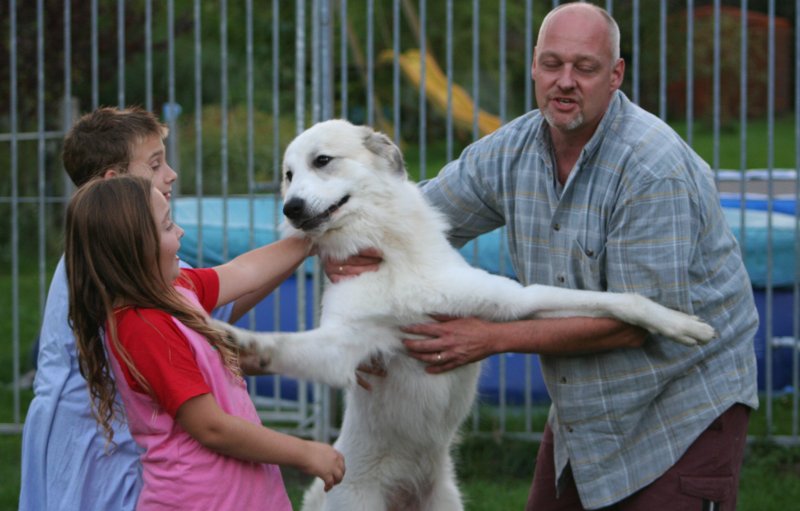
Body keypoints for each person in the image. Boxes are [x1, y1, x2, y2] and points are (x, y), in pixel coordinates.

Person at [330, 3, 758, 510]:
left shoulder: (653, 169)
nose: (565, 81)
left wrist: (489, 339)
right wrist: (352, 284)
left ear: (616, 74)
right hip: (585, 407)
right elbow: (412, 220)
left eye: (586, 67)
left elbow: (638, 322)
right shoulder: (511, 150)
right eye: (552, 64)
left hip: (680, 408)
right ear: (534, 66)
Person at [19, 106, 278, 510]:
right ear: (116, 181)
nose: (171, 174)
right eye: (156, 164)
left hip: (86, 442)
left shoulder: (95, 258)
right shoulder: (133, 281)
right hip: (101, 456)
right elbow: (213, 320)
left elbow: (223, 293)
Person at [65, 175, 344, 509]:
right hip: (199, 500)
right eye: (168, 226)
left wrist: (310, 240)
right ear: (134, 248)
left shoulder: (175, 291)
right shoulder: (142, 327)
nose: (180, 232)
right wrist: (305, 452)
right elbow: (211, 428)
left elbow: (244, 272)